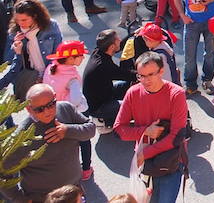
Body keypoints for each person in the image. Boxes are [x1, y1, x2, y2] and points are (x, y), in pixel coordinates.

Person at [1, 83, 96, 202]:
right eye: (40, 109)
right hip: (44, 199)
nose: (47, 111)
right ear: (29, 109)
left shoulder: (66, 109)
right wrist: (19, 199)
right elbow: (3, 174)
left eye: (51, 104)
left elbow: (91, 129)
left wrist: (68, 130)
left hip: (74, 192)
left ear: (55, 98)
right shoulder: (22, 137)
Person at [114, 52, 189, 203]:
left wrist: (145, 153)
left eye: (150, 75)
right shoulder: (133, 93)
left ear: (162, 71)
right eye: (141, 76)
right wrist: (146, 131)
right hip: (144, 163)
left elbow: (176, 136)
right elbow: (119, 129)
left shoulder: (176, 94)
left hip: (170, 161)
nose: (145, 80)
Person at [42, 40, 92, 181]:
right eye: (80, 56)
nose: (83, 58)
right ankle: (86, 169)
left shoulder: (50, 68)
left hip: (57, 113)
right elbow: (76, 99)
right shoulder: (72, 78)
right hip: (75, 113)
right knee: (84, 140)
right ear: (70, 58)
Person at [3, 0, 63, 100]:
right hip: (30, 79)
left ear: (35, 16)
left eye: (24, 20)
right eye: (18, 20)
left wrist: (46, 76)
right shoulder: (14, 33)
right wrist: (15, 47)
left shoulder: (51, 26)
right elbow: (9, 62)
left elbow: (58, 53)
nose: (21, 23)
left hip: (51, 75)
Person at [82, 29, 130, 131]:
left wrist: (132, 35)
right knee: (131, 105)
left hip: (105, 94)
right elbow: (128, 75)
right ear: (112, 46)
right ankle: (105, 121)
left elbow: (119, 46)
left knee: (126, 85)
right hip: (99, 107)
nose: (120, 40)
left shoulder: (98, 51)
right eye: (118, 39)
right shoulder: (103, 66)